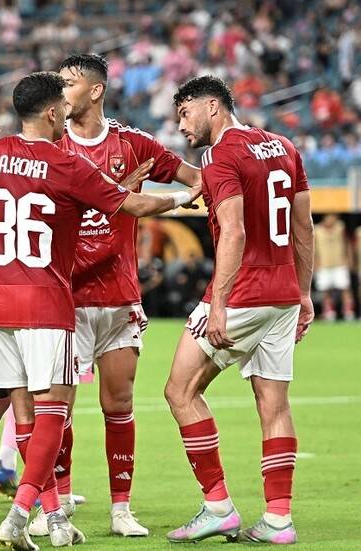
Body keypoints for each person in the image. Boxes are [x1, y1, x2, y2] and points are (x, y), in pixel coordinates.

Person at [0, 71, 201, 550]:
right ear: (51, 112)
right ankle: (20, 514)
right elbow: (133, 205)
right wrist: (183, 197)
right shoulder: (65, 163)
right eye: (61, 108)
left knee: (24, 416)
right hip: (46, 303)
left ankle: (54, 516)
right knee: (52, 414)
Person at [38, 52, 202, 538]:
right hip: (65, 298)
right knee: (59, 409)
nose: (60, 92)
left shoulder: (133, 144)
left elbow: (195, 177)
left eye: (68, 83)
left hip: (118, 296)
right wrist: (116, 196)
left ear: (95, 90)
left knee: (119, 403)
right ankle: (60, 501)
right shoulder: (49, 145)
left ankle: (121, 509)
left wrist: (222, 192)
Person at [164, 75, 314, 544]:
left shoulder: (219, 155)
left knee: (180, 391)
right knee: (274, 404)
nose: (181, 126)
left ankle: (218, 507)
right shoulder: (284, 146)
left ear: (212, 106)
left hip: (243, 294)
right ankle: (278, 520)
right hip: (283, 293)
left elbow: (234, 231)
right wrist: (304, 293)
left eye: (185, 113)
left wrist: (219, 304)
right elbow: (303, 226)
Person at [313, 213, 355, 320]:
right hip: (324, 264)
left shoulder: (340, 227)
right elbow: (314, 248)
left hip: (340, 263)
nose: (333, 219)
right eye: (331, 217)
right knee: (325, 290)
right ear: (325, 218)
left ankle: (348, 311)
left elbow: (347, 244)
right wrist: (315, 263)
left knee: (345, 288)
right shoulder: (317, 230)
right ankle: (329, 312)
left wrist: (349, 259)